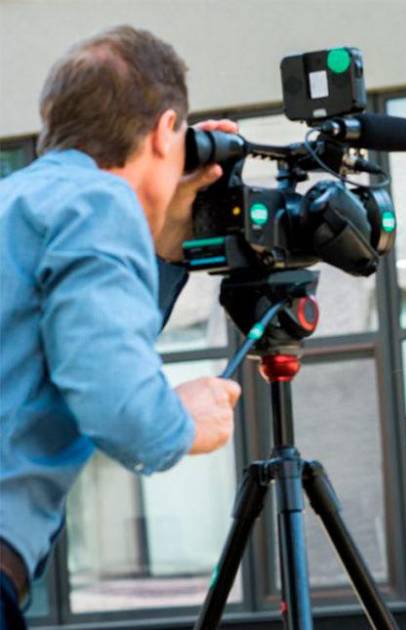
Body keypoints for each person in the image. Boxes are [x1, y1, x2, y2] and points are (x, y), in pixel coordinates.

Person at [0, 26, 242, 628]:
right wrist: (182, 419)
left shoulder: (19, 201)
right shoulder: (100, 203)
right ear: (165, 131)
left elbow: (83, 334)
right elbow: (121, 409)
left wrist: (167, 238)